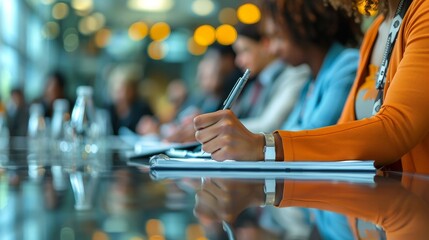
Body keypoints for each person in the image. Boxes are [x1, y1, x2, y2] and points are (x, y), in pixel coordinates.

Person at [193, 0, 429, 174]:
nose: (272, 48)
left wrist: (266, 146)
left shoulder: (422, 12)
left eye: (277, 36)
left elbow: (396, 128)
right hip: (379, 210)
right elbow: (346, 132)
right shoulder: (375, 32)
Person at [232, 23, 310, 132]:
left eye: (245, 50)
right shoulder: (256, 84)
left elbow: (270, 126)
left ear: (265, 45)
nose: (239, 61)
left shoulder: (294, 74)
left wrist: (221, 127)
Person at [107, 64, 154, 135]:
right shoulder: (108, 109)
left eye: (127, 89)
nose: (123, 93)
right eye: (119, 89)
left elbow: (152, 129)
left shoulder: (142, 108)